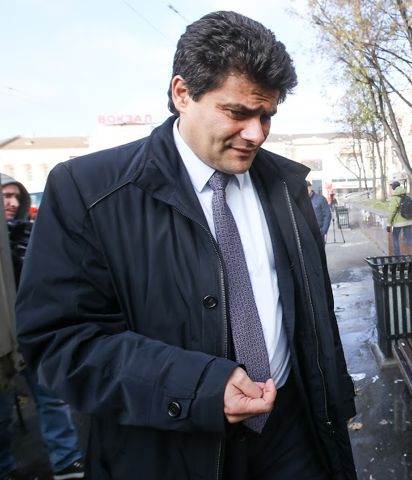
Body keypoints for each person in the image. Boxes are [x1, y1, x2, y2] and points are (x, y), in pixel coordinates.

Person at [16, 11, 356, 480]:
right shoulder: (88, 191)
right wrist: (199, 388)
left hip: (294, 434)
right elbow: (60, 343)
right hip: (170, 453)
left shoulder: (287, 186)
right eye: (237, 112)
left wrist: (336, 403)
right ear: (182, 93)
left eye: (266, 116)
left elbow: (315, 315)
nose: (256, 133)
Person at [1, 174, 85, 480]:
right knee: (2, 411)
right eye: (5, 196)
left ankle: (66, 460)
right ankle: (5, 467)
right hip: (3, 339)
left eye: (16, 196)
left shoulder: (31, 235)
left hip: (32, 334)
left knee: (53, 397)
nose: (12, 203)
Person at [386, 180, 412, 255]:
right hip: (408, 221)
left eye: (392, 186)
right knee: (408, 239)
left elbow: (392, 212)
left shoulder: (395, 198)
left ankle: (397, 256)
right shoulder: (407, 197)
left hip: (398, 223)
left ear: (394, 187)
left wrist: (388, 224)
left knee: (395, 239)